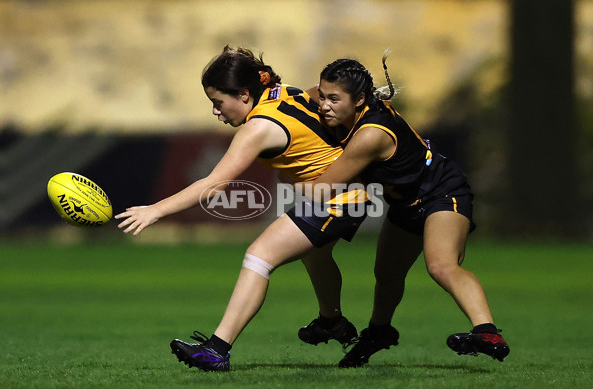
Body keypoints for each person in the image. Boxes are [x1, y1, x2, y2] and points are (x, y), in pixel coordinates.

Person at [115, 46, 369, 372]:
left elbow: (214, 184)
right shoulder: (282, 92)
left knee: (259, 256)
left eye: (218, 102)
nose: (216, 112)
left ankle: (217, 349)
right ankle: (331, 321)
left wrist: (155, 211)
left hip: (337, 199)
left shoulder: (259, 127)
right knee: (315, 253)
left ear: (245, 94)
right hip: (351, 191)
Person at [296, 56, 510, 367]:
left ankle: (488, 333)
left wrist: (276, 162)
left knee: (441, 266)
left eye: (333, 99)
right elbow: (301, 99)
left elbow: (320, 188)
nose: (324, 105)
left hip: (441, 192)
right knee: (386, 274)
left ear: (359, 100)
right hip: (406, 202)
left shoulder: (371, 134)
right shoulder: (335, 102)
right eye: (324, 96)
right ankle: (379, 332)